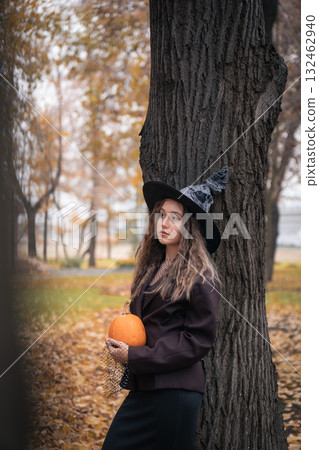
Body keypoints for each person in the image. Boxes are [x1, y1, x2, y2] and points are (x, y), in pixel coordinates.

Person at [102, 166, 228, 450]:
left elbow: (198, 341)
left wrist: (135, 355)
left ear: (190, 227)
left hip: (176, 390)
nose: (165, 223)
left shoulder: (200, 275)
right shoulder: (153, 268)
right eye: (161, 215)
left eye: (175, 217)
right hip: (146, 386)